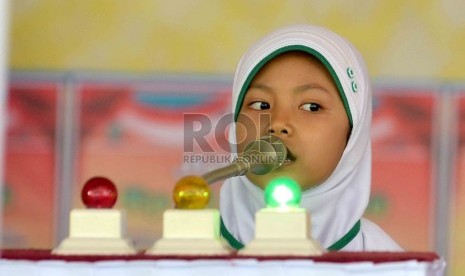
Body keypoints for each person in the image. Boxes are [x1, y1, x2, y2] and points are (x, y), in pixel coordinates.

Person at [219, 24, 402, 251]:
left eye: (312, 106)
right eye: (260, 104)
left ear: (353, 133)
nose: (277, 123)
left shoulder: (388, 265)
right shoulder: (187, 257)